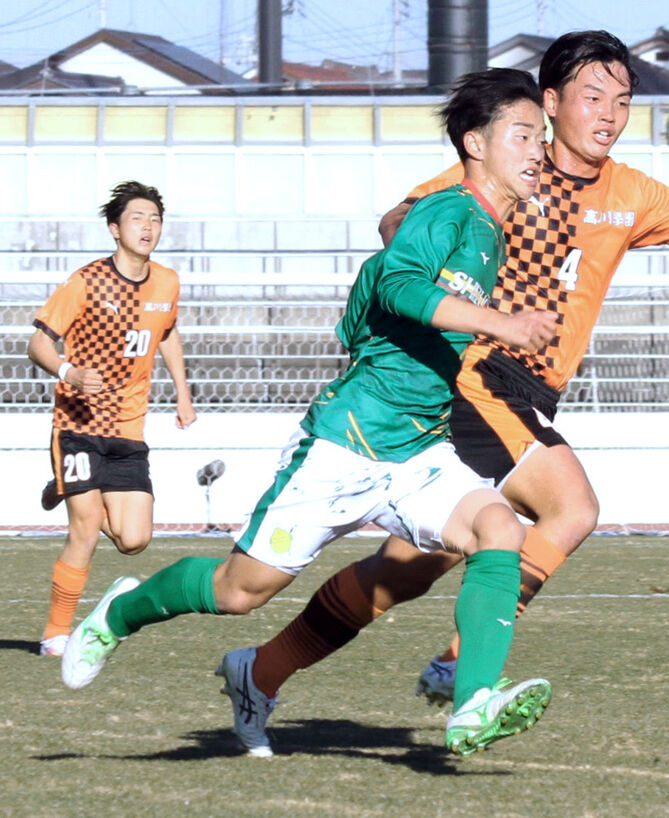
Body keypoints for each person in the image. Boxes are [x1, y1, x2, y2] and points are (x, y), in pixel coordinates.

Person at [230, 30, 669, 722]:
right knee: (572, 507)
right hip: (478, 377)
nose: (609, 114)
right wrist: (468, 290)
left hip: (532, 391)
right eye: (593, 96)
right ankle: (460, 669)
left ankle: (260, 670)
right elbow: (396, 224)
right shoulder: (499, 169)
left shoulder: (632, 192)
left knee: (404, 575)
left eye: (622, 102)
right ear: (550, 100)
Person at [62, 68, 560, 758]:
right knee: (240, 592)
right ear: (476, 142)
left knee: (500, 527)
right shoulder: (447, 211)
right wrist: (500, 323)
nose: (540, 149)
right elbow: (395, 283)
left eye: (543, 137)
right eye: (525, 134)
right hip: (346, 442)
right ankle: (119, 611)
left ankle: (472, 705)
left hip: (418, 450)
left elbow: (369, 308)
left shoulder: (490, 231)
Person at [29, 181, 196, 658]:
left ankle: (64, 484)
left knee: (134, 541)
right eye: (138, 218)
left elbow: (167, 336)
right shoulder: (86, 282)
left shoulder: (167, 282)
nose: (148, 227)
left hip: (129, 428)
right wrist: (69, 371)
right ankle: (56, 635)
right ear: (114, 229)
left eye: (155, 219)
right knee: (84, 528)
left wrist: (183, 394)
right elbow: (38, 342)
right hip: (79, 423)